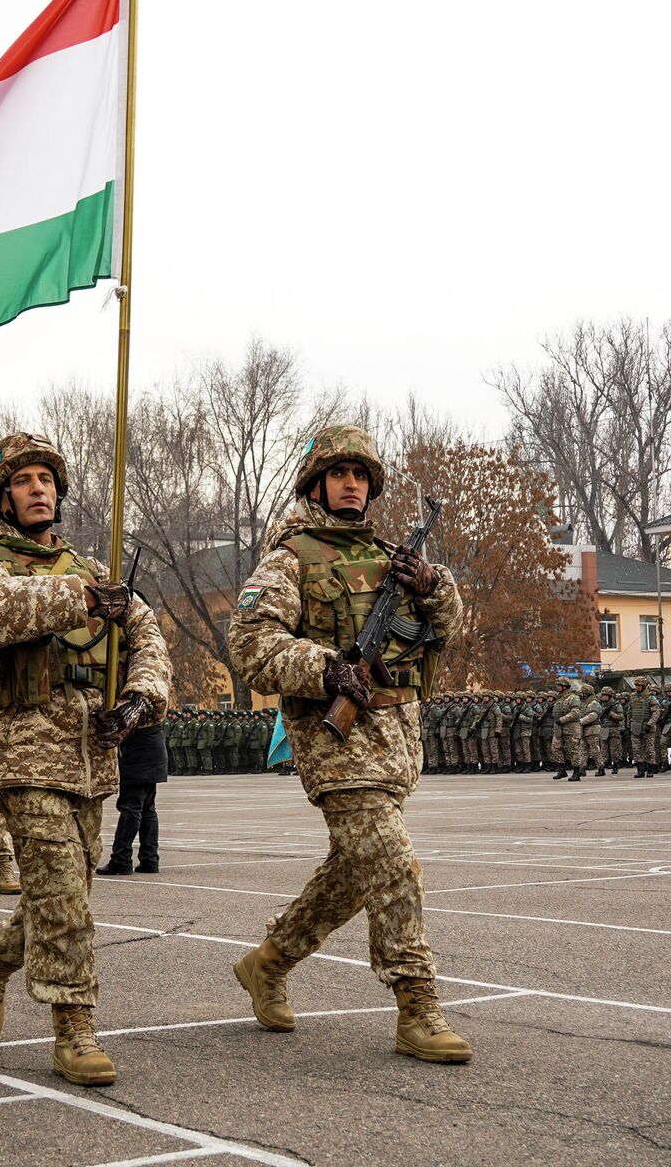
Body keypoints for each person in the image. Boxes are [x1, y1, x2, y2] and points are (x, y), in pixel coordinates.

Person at [226, 424, 472, 1064]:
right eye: (339, 474)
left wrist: (432, 588)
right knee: (392, 865)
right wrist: (327, 669)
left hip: (395, 740)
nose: (352, 485)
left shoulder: (398, 561)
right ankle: (418, 1005)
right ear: (317, 484)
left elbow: (446, 630)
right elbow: (251, 644)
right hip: (334, 741)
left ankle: (269, 962)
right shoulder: (290, 560)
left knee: (352, 874)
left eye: (361, 475)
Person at [0, 431, 171, 1087]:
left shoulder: (84, 566)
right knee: (62, 895)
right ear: (2, 496)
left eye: (47, 479)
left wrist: (139, 700)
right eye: (24, 480)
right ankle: (74, 1027)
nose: (39, 488)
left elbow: (146, 633)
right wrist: (78, 599)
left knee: (66, 889)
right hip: (18, 749)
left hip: (88, 753)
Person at [97, 716, 166, 874]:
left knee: (130, 807)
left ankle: (121, 859)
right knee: (147, 808)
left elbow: (122, 721)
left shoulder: (135, 696)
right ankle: (149, 859)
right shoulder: (155, 695)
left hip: (138, 755)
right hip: (151, 752)